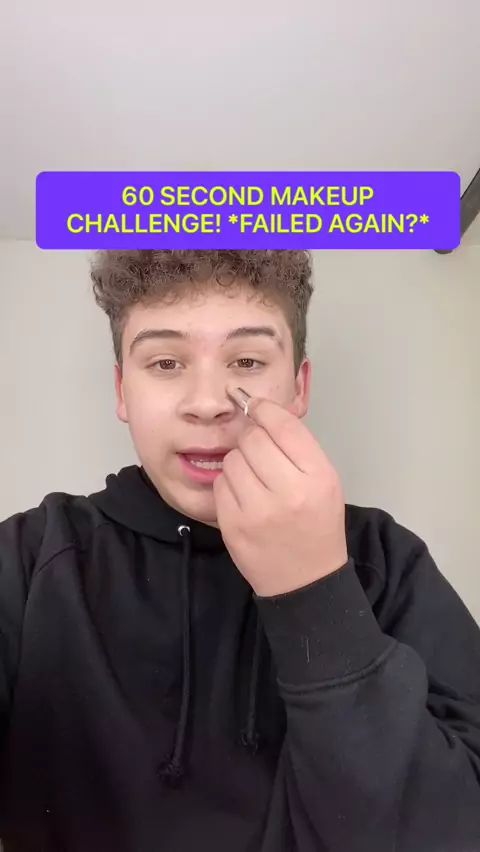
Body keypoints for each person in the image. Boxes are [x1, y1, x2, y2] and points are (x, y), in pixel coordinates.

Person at [0, 249, 479, 852]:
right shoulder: (28, 557)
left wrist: (316, 593)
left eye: (247, 361)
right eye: (166, 362)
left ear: (299, 388)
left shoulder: (387, 561)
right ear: (123, 390)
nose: (208, 403)